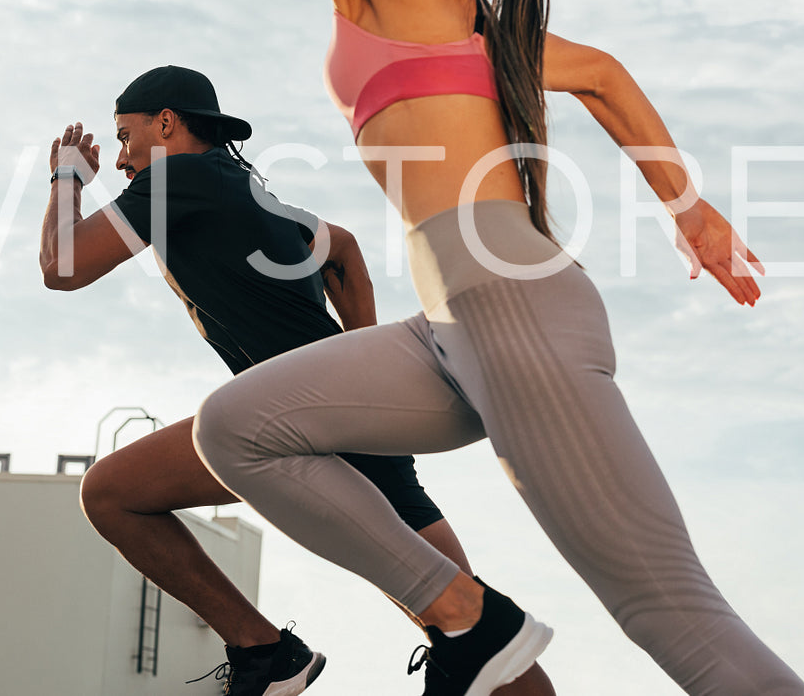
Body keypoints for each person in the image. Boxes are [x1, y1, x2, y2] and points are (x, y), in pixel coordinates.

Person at [19, 0, 804, 696]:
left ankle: (473, 629)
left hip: (509, 306)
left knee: (672, 615)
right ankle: (468, 623)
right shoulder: (452, 9)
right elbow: (599, 75)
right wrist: (689, 210)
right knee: (237, 426)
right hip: (451, 323)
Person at [38, 65, 555, 696]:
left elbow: (62, 266)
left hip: (295, 419)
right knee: (470, 635)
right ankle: (272, 656)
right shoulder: (256, 196)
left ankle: (266, 654)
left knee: (111, 494)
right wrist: (369, 372)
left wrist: (68, 176)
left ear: (166, 123)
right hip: (352, 424)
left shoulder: (180, 177)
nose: (120, 159)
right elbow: (346, 251)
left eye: (125, 136)